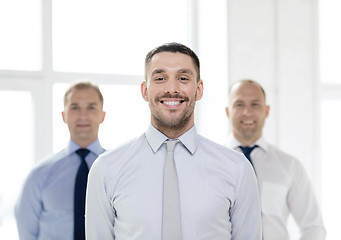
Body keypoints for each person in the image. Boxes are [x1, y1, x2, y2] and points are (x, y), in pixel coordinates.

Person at [85, 42, 262, 240]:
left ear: (199, 89)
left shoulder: (237, 169)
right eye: (160, 78)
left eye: (183, 78)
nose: (171, 88)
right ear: (145, 90)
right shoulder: (106, 169)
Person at [225, 79, 326, 240]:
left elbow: (313, 227)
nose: (247, 112)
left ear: (266, 111)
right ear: (228, 112)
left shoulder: (289, 166)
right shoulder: (212, 164)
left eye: (255, 104)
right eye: (239, 104)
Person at [15, 81, 106, 240]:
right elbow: (26, 233)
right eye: (74, 107)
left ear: (102, 115)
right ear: (64, 115)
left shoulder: (117, 170)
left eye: (91, 107)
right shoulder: (39, 175)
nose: (83, 115)